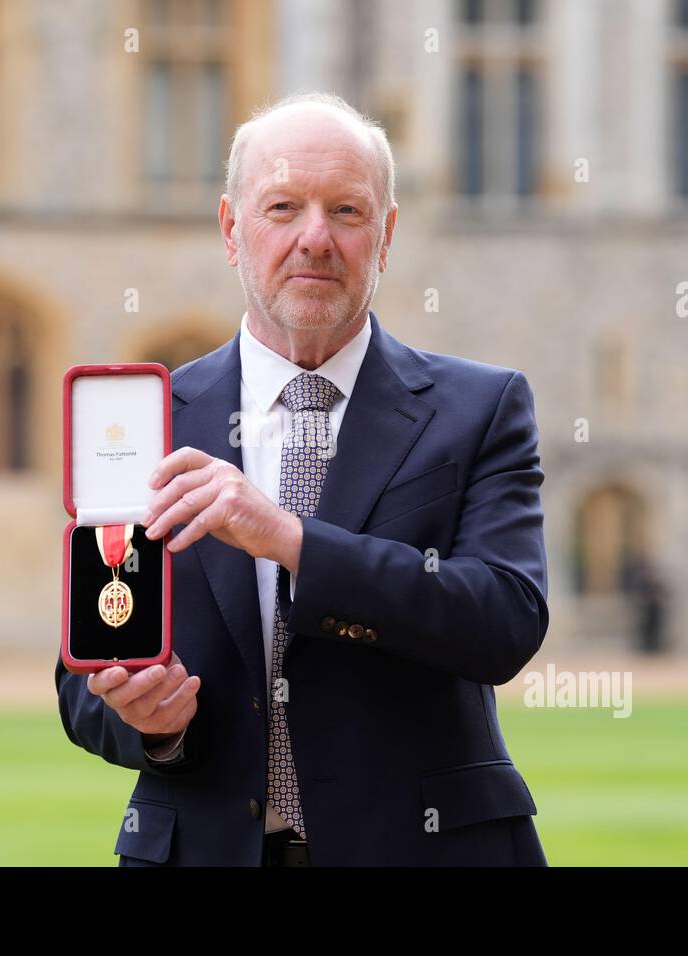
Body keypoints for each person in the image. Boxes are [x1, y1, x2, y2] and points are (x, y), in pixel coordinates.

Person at [55, 92, 550, 866]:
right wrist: (150, 723)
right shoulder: (146, 421)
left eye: (346, 211)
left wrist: (290, 540)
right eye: (283, 207)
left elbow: (504, 622)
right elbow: (82, 679)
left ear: (385, 237)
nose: (315, 237)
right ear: (232, 229)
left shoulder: (479, 409)